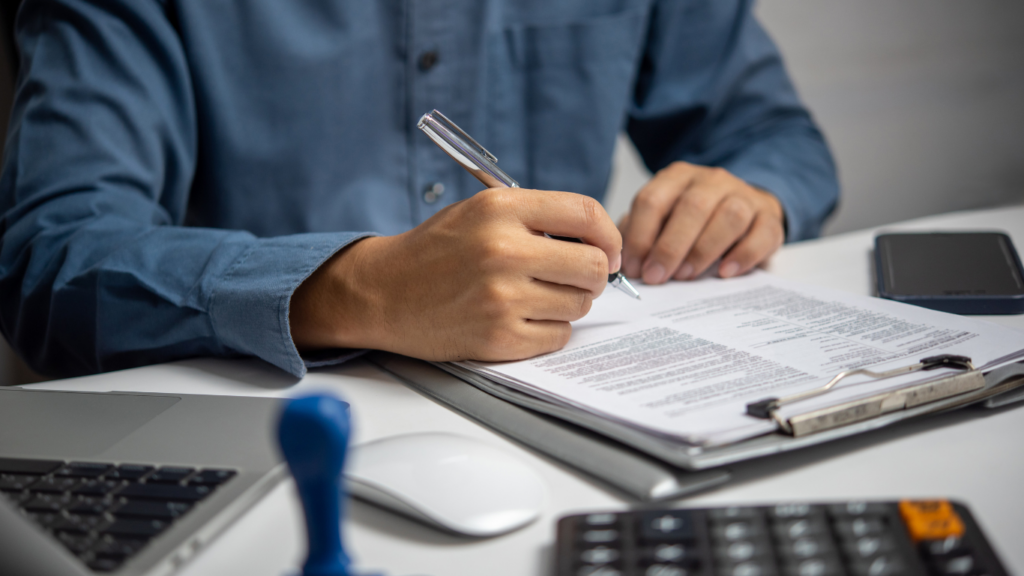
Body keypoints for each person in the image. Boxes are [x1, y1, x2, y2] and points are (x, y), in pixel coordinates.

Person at [0, 0, 838, 379]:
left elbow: (777, 141)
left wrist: (748, 194)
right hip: (262, 424)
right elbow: (49, 255)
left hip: (575, 400)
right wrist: (356, 287)